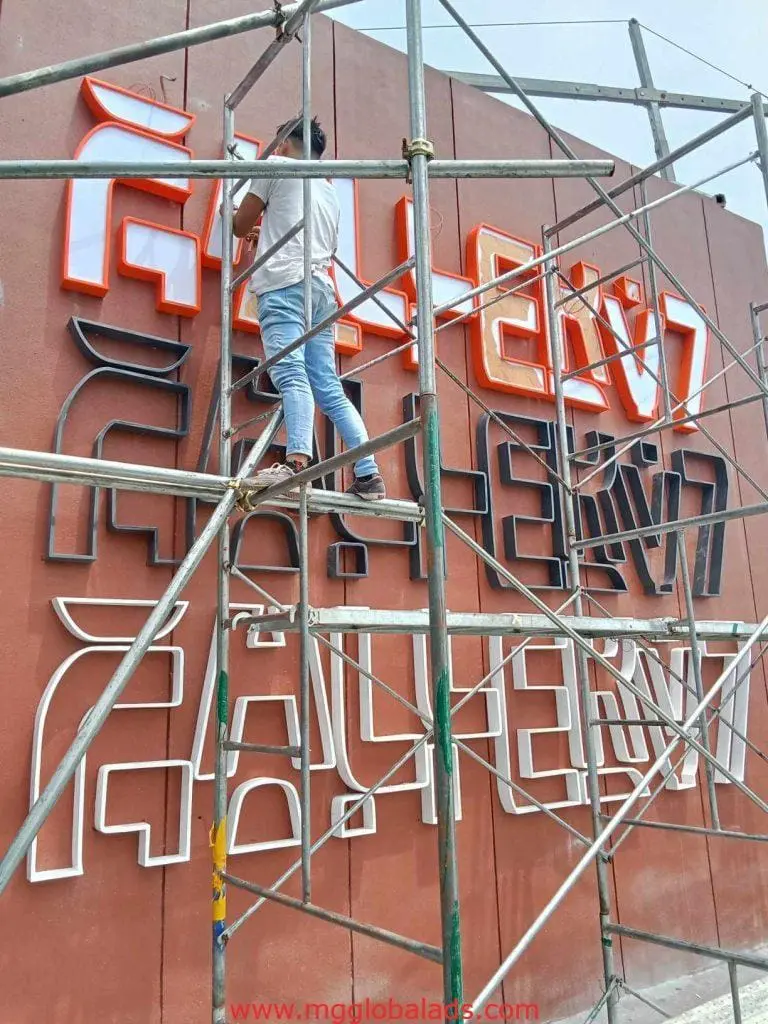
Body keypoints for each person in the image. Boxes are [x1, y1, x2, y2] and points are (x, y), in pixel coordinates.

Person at [232, 116, 386, 501]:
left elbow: (238, 224)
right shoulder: (328, 189)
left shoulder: (275, 166)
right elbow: (312, 239)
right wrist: (265, 231)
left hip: (285, 285)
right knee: (328, 386)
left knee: (291, 373)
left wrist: (245, 221)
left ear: (284, 141)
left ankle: (297, 465)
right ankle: (368, 474)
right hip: (320, 289)